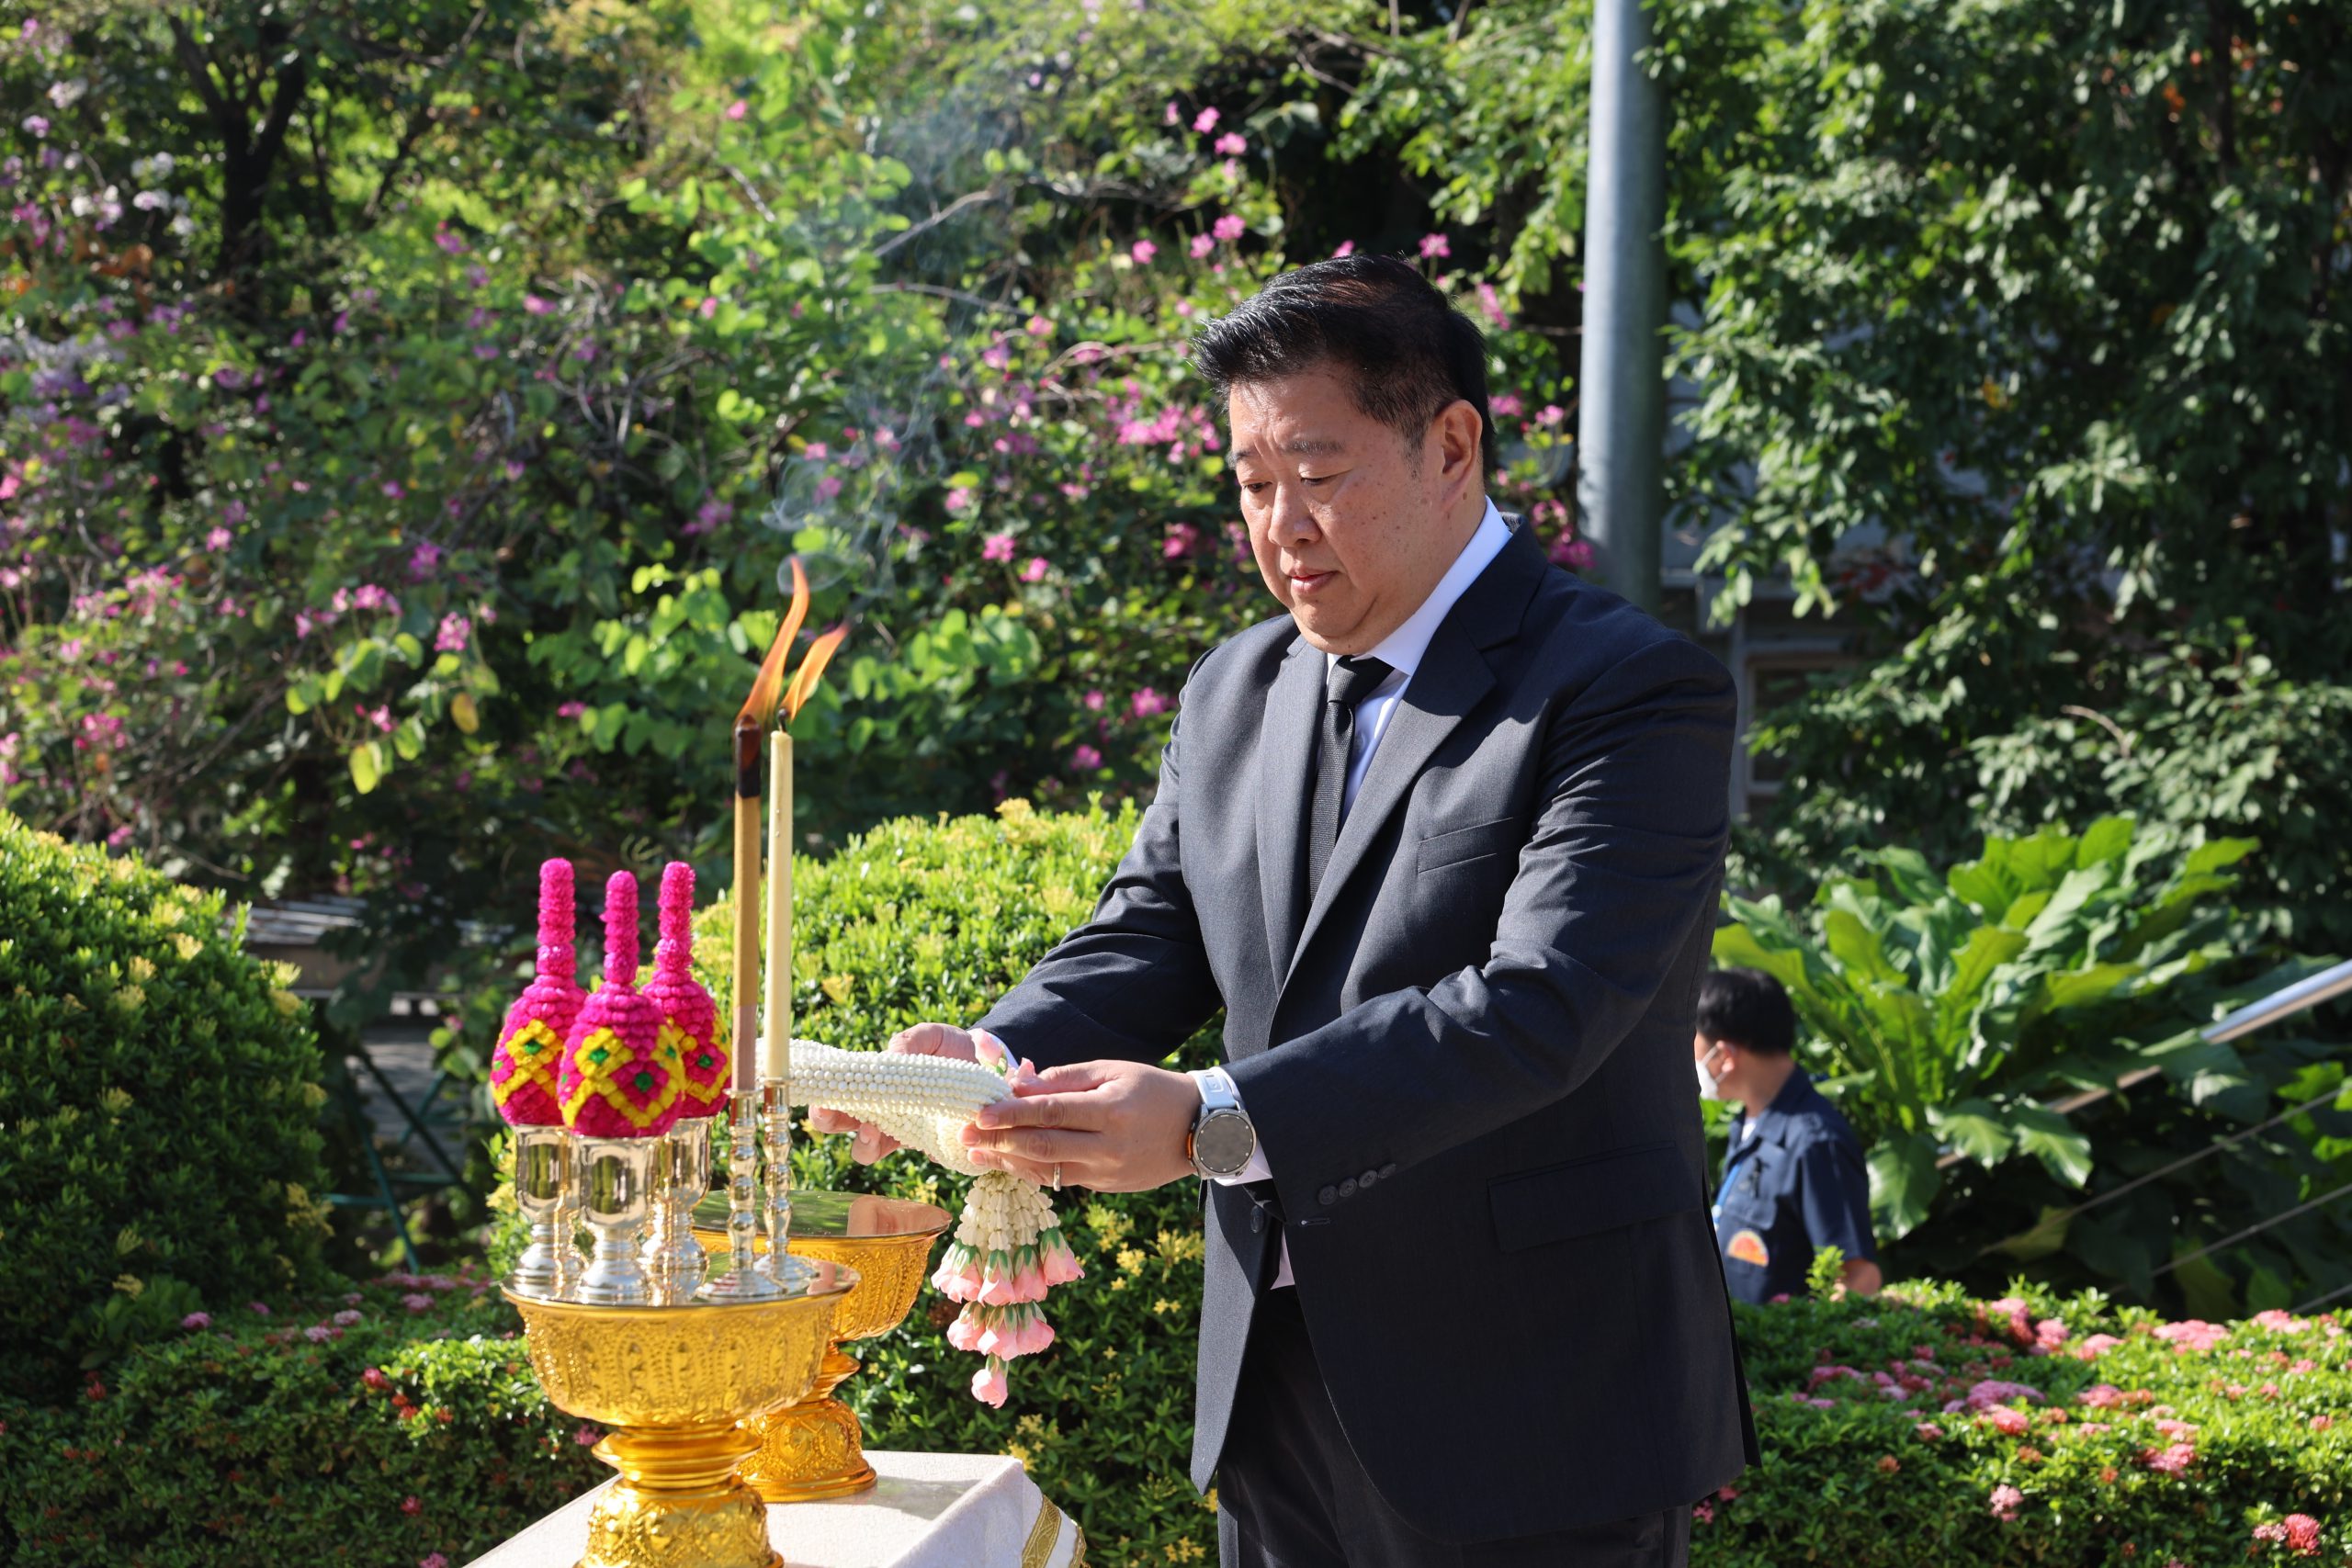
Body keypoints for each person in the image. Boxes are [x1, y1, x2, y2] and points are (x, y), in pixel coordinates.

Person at [815, 253, 1755, 1567]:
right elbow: (1151, 931)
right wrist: (985, 1060)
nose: (1279, 526)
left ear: (1451, 446)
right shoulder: (1236, 687)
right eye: (1252, 484)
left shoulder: (1625, 686)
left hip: (1534, 1398)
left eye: (1316, 474)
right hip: (1272, 1391)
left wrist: (1215, 1118)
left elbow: (1542, 1004)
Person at [1693, 967, 1881, 1303]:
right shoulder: (1746, 1124)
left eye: (1692, 1043)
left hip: (1776, 1338)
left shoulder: (1815, 1142)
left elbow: (1858, 1277)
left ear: (1724, 1056)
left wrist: (1798, 1333)